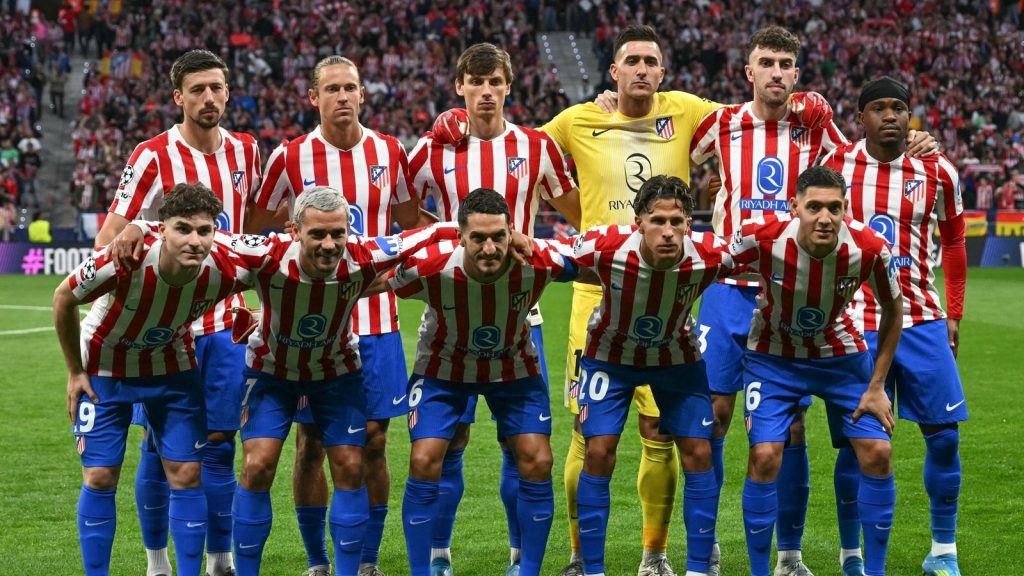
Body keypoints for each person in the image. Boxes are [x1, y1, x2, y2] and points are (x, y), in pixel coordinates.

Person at [117, 187, 461, 576]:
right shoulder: (268, 254)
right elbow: (210, 233)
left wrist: (509, 236)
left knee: (350, 465)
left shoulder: (366, 253)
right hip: (272, 375)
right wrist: (139, 227)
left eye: (338, 233)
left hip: (337, 374)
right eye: (317, 234)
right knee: (258, 464)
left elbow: (435, 232)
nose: (330, 245)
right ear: (294, 231)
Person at [246, 55, 434, 576]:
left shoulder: (389, 151)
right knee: (310, 444)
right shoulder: (289, 158)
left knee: (373, 443)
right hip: (312, 328)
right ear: (314, 97)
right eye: (332, 89)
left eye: (351, 87)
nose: (343, 97)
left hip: (375, 321)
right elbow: (259, 230)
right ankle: (316, 561)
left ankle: (368, 560)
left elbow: (410, 225)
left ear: (363, 94)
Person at [406, 42, 580, 576]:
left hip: (518, 316)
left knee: (523, 449)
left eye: (495, 81)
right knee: (445, 445)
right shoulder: (433, 149)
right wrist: (436, 241)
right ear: (459, 86)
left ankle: (519, 556)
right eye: (475, 82)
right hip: (450, 316)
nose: (486, 91)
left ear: (509, 86)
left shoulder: (536, 146)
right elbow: (398, 208)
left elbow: (578, 212)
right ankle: (437, 556)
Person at [94, 48, 262, 576]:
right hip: (169, 332)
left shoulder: (247, 152)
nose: (208, 98)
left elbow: (247, 236)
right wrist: (138, 235)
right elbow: (108, 238)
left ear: (228, 92)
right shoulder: (152, 156)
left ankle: (219, 558)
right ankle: (157, 561)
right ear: (178, 97)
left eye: (216, 88)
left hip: (229, 326)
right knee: (156, 449)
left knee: (219, 445)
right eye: (197, 90)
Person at [53, 183, 249, 576]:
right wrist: (75, 371)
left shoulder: (226, 266)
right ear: (163, 229)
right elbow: (63, 297)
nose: (195, 240)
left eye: (204, 231)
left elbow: (277, 262)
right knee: (100, 475)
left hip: (172, 369)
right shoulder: (126, 258)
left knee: (187, 472)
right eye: (182, 229)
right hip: (105, 371)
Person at [385, 188, 579, 576]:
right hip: (444, 369)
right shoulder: (431, 267)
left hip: (513, 368)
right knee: (424, 460)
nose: (489, 248)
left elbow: (596, 261)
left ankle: (527, 571)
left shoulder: (537, 262)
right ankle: (427, 567)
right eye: (478, 238)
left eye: (498, 237)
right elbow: (366, 282)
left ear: (513, 234)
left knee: (538, 460)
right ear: (461, 237)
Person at [821, 77, 968, 576]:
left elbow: (953, 243)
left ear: (910, 116)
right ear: (860, 118)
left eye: (899, 107)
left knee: (944, 436)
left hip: (923, 318)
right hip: (855, 321)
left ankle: (942, 552)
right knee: (859, 444)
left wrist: (955, 312)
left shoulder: (937, 171)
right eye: (878, 108)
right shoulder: (836, 167)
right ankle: (851, 555)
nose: (890, 115)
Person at [727, 166, 902, 576]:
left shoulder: (870, 248)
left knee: (878, 452)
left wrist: (877, 386)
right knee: (766, 455)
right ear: (795, 207)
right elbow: (708, 267)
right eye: (814, 207)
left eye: (834, 208)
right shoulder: (762, 236)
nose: (824, 218)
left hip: (840, 359)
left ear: (845, 209)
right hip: (772, 358)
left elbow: (893, 310)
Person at [568, 175, 728, 576]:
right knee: (599, 450)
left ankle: (697, 568)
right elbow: (549, 259)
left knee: (699, 451)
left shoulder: (710, 254)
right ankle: (592, 568)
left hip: (677, 358)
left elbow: (767, 257)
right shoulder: (604, 245)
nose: (669, 231)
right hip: (610, 357)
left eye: (678, 221)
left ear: (690, 222)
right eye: (658, 220)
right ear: (638, 221)